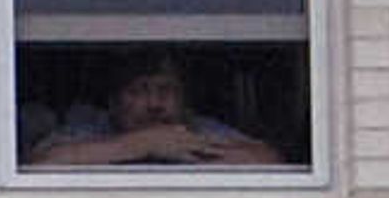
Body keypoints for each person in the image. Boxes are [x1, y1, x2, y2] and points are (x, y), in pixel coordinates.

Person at [21, 50, 284, 168]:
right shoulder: (92, 129)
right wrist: (142, 144)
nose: (155, 104)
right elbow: (41, 165)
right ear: (113, 102)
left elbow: (269, 162)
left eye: (166, 90)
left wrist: (198, 149)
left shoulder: (197, 128)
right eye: (139, 91)